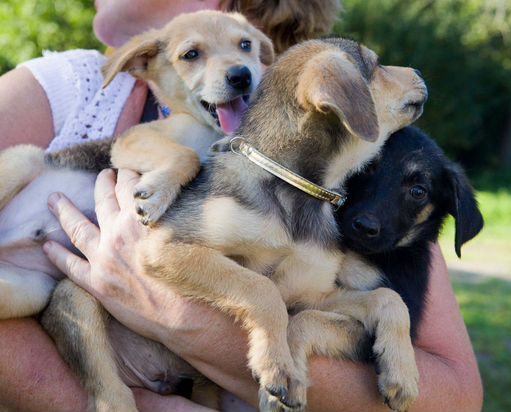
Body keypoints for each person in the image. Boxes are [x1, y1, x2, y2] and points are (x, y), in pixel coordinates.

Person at [0, 1, 483, 411]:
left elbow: (453, 393)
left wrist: (193, 328)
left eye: (242, 48)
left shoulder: (331, 115)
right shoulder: (69, 88)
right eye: (190, 54)